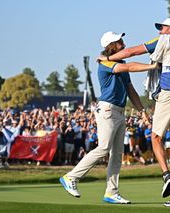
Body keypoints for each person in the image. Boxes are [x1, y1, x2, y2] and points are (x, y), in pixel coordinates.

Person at [99, 18, 170, 207]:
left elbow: (131, 52)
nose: (160, 31)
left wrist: (107, 59)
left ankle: (166, 175)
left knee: (156, 137)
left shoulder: (164, 41)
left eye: (163, 28)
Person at [59, 31, 157, 204]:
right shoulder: (104, 62)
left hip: (119, 111)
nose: (124, 45)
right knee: (104, 148)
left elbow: (131, 90)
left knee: (117, 154)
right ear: (111, 46)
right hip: (107, 110)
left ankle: (111, 192)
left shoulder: (119, 62)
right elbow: (127, 68)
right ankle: (71, 177)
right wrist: (151, 66)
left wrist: (142, 111)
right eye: (120, 42)